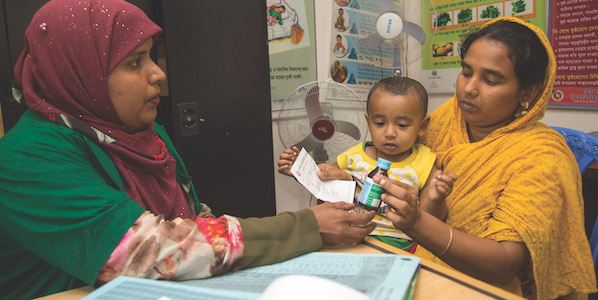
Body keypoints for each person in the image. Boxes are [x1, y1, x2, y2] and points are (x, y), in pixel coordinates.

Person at [0, 0, 375, 299]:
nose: (158, 73)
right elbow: (152, 252)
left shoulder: (147, 136)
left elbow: (195, 220)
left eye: (151, 56)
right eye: (134, 62)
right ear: (78, 73)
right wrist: (307, 226)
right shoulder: (27, 159)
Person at [369, 17, 597, 299]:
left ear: (528, 92)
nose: (469, 89)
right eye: (466, 72)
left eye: (489, 80)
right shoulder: (445, 121)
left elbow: (503, 263)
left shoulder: (542, 156)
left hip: (490, 288)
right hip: (416, 265)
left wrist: (417, 223)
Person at [278, 77, 457, 253]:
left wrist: (437, 199)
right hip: (349, 236)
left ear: (422, 126)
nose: (389, 133)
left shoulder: (425, 161)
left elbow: (430, 221)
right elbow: (322, 182)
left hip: (401, 244)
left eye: (402, 125)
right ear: (368, 121)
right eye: (379, 123)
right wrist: (299, 170)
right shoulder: (354, 156)